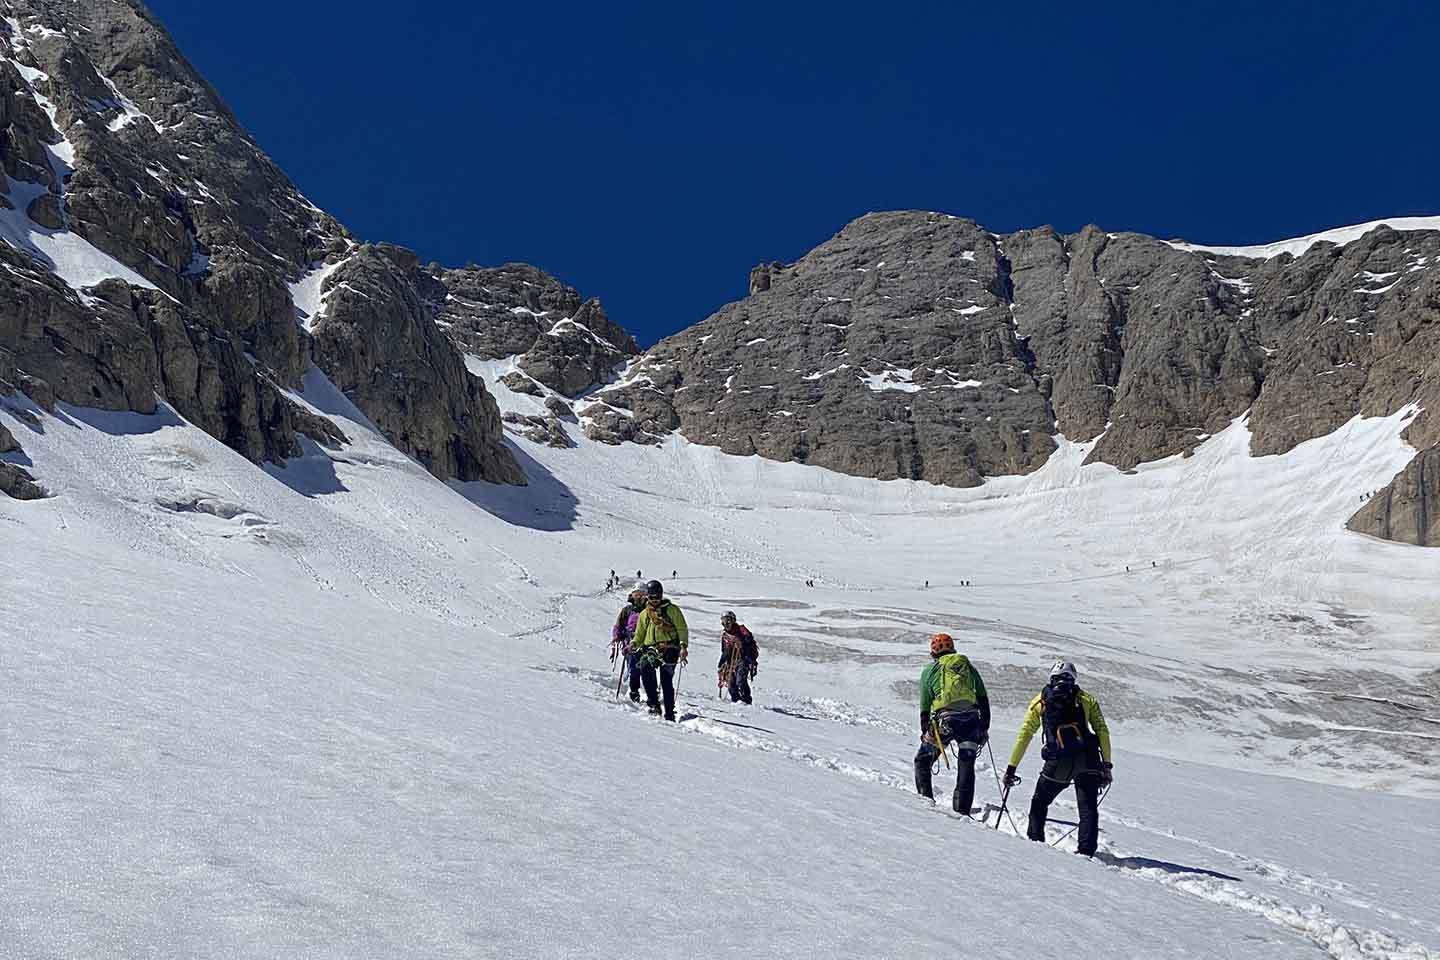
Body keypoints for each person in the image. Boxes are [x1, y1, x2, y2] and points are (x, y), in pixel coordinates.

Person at [1004, 660, 1113, 857]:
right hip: (1088, 759)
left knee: (1040, 802)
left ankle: (1035, 843)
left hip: (1057, 761)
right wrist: (1107, 765)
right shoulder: (1086, 699)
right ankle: (1086, 852)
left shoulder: (1040, 701)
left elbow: (1025, 734)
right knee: (1087, 807)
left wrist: (1012, 767)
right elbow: (1102, 731)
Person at [914, 633, 990, 815]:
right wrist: (984, 727)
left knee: (923, 760)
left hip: (945, 722)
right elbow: (982, 697)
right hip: (971, 721)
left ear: (933, 652)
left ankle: (926, 803)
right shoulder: (967, 666)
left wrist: (926, 730)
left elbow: (925, 705)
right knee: (966, 763)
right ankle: (962, 811)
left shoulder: (929, 671)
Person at [630, 580, 689, 721]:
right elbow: (640, 633)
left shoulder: (672, 610)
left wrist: (683, 646)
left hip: (670, 648)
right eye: (652, 597)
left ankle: (669, 712)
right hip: (650, 648)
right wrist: (634, 643)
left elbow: (682, 628)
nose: (655, 600)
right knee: (645, 671)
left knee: (666, 680)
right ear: (647, 597)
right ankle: (654, 704)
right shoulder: (645, 614)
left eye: (657, 597)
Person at [610, 584, 647, 702]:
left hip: (647, 643)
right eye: (636, 594)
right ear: (632, 595)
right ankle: (634, 691)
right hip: (630, 643)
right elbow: (619, 625)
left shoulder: (650, 610)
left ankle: (650, 692)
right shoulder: (627, 610)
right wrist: (617, 636)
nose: (639, 597)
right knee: (634, 667)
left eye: (641, 594)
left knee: (646, 669)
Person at [717, 611, 759, 704]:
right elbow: (724, 651)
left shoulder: (741, 630)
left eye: (728, 620)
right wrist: (721, 664)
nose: (726, 623)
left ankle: (746, 701)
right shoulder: (725, 636)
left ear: (733, 620)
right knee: (731, 683)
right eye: (724, 621)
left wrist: (741, 641)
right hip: (730, 661)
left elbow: (749, 639)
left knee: (740, 681)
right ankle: (735, 701)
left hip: (743, 659)